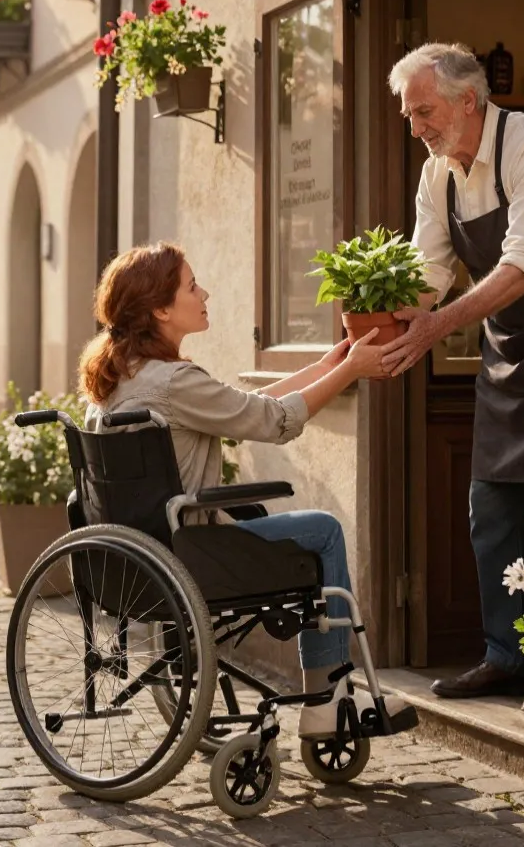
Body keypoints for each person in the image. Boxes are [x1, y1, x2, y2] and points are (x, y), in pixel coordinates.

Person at [77, 241, 414, 739]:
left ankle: (327, 692)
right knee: (322, 530)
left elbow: (245, 407)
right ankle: (326, 698)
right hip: (190, 555)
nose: (205, 292)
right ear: (161, 309)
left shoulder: (114, 384)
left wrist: (328, 365)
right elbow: (274, 422)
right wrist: (352, 371)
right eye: (192, 286)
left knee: (267, 519)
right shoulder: (173, 382)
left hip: (134, 558)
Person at [384, 43, 524, 717]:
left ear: (470, 99)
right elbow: (429, 269)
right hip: (505, 350)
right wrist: (379, 319)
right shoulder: (437, 172)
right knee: (491, 515)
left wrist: (437, 328)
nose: (416, 127)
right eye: (409, 115)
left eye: (424, 111)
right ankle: (506, 655)